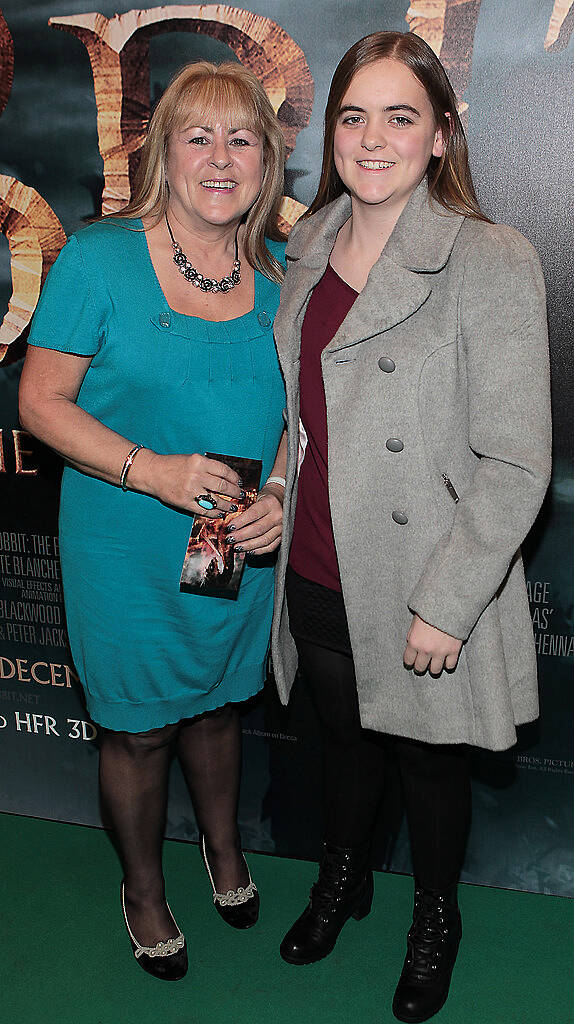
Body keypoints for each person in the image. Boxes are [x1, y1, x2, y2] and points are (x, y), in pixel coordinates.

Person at [270, 31, 551, 1023]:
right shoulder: (308, 242)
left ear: (439, 135)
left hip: (425, 572)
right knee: (341, 743)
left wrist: (447, 600)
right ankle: (341, 878)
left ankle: (436, 914)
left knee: (430, 766)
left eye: (400, 116)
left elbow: (517, 460)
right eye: (353, 115)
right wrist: (273, 485)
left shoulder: (487, 255)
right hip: (312, 561)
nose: (372, 137)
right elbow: (302, 408)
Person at [19, 60, 288, 981]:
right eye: (199, 136)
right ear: (164, 153)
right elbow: (42, 403)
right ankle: (142, 888)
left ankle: (222, 853)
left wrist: (280, 493)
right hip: (125, 540)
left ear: (268, 160)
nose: (221, 157)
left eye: (242, 138)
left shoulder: (282, 274)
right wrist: (153, 471)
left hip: (233, 547)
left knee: (217, 706)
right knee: (138, 730)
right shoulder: (100, 257)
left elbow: (305, 420)